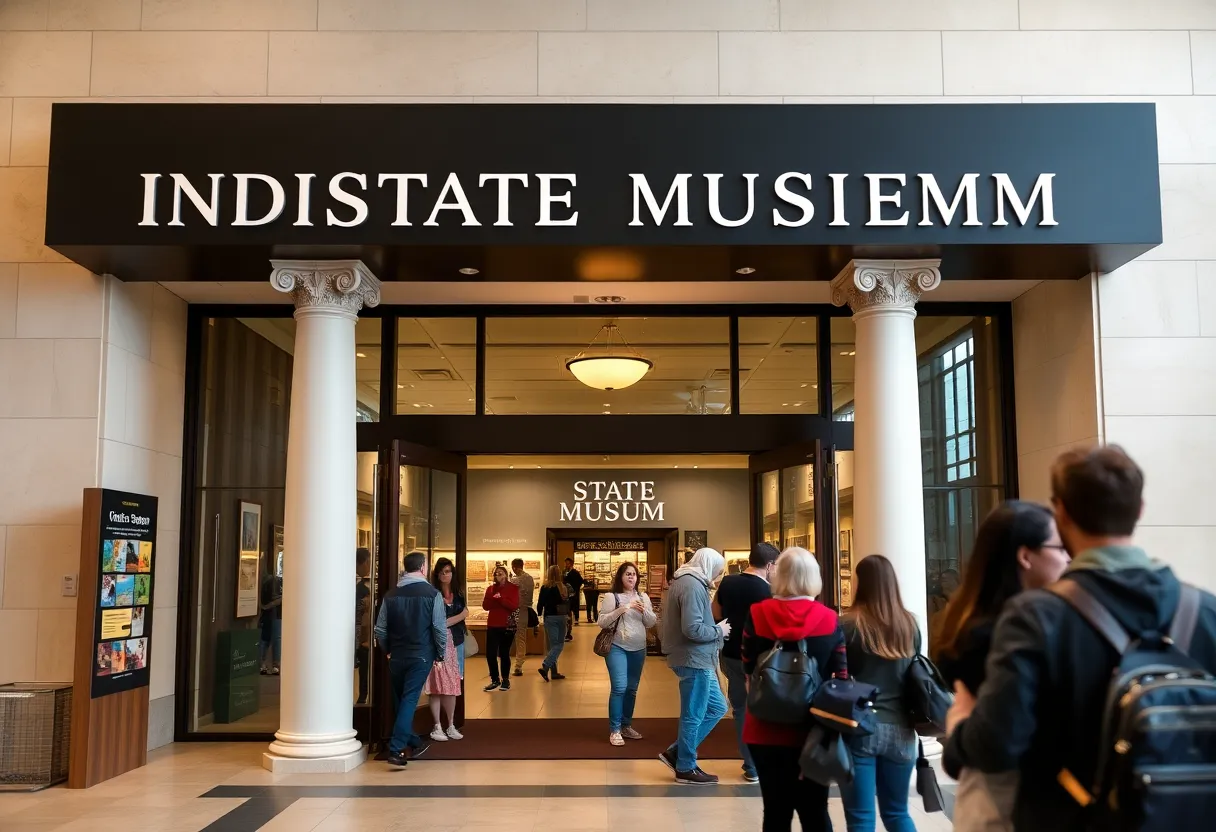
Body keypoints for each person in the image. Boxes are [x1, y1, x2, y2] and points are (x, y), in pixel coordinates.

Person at [944, 446, 1216, 832]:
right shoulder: (1204, 610)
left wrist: (959, 726)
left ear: (1062, 513)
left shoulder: (1036, 616)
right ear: (1140, 509)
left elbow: (998, 745)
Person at [932, 501, 1068, 830]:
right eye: (1060, 547)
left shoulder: (971, 622)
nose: (1068, 558)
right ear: (1025, 556)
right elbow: (998, 740)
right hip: (1009, 802)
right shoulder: (999, 635)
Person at [742, 546, 846, 832]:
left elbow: (748, 668)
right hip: (814, 732)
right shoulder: (829, 618)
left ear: (780, 574)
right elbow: (841, 677)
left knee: (775, 813)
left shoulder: (758, 613)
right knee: (816, 812)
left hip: (764, 729)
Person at [837, 554, 921, 832]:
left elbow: (836, 674)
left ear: (860, 582)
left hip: (860, 727)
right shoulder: (910, 625)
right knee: (898, 813)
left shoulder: (847, 624)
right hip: (902, 729)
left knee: (861, 819)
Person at [658, 547, 731, 785]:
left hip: (695, 657)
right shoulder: (692, 585)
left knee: (717, 706)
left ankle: (677, 753)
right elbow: (692, 629)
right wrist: (718, 630)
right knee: (694, 713)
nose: (717, 576)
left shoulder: (686, 581)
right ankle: (685, 766)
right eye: (717, 571)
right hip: (694, 658)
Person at [712, 540, 779, 783]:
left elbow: (716, 613)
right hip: (761, 659)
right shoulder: (769, 592)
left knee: (740, 709)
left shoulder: (727, 582)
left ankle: (751, 766)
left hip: (731, 654)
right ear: (769, 565)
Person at [373, 550, 447, 768]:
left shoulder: (390, 595)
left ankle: (414, 741)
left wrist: (388, 650)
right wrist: (440, 653)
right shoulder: (432, 594)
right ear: (423, 567)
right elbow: (439, 628)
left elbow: (380, 629)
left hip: (397, 655)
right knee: (409, 700)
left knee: (400, 700)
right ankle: (396, 749)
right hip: (421, 655)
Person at [599, 562, 657, 746]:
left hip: (638, 648)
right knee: (619, 687)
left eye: (634, 574)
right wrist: (622, 609)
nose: (631, 577)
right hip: (617, 646)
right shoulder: (612, 597)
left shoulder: (643, 596)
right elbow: (602, 622)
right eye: (627, 574)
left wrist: (644, 610)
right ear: (620, 577)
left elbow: (651, 622)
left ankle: (626, 725)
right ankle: (615, 729)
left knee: (632, 689)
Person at [425, 556, 468, 742]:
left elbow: (462, 613)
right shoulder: (433, 595)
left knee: (453, 684)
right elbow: (438, 623)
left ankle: (450, 724)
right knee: (436, 685)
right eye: (442, 572)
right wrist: (460, 616)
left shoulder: (458, 594)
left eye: (448, 571)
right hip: (438, 644)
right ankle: (437, 725)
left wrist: (453, 619)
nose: (445, 575)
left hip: (456, 642)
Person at [481, 565, 520, 691]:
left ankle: (505, 679)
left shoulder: (513, 588)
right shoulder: (490, 589)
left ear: (506, 575)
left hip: (507, 625)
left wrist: (501, 599)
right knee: (490, 654)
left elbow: (514, 606)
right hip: (493, 624)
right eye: (496, 573)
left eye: (501, 573)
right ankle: (495, 679)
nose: (498, 576)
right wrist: (494, 598)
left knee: (504, 653)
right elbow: (486, 606)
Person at [536, 565, 570, 681]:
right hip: (561, 617)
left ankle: (549, 668)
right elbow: (567, 602)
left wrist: (539, 615)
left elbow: (540, 603)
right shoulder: (563, 587)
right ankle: (549, 668)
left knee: (552, 645)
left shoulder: (545, 587)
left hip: (549, 617)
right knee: (559, 644)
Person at [510, 558, 535, 677]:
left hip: (514, 611)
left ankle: (512, 664)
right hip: (525, 611)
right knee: (521, 638)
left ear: (514, 567)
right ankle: (518, 665)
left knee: (512, 638)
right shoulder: (530, 578)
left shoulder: (514, 581)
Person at [355, 547, 372, 704]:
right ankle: (362, 697)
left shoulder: (361, 587)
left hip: (359, 634)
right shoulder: (362, 589)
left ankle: (362, 696)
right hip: (360, 635)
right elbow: (363, 616)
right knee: (363, 667)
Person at [259, 560, 282, 675]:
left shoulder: (270, 580)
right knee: (274, 639)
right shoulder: (274, 580)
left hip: (270, 613)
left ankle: (263, 664)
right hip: (274, 613)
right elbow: (278, 598)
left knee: (266, 638)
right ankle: (274, 665)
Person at [563, 558, 583, 638]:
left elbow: (580, 581)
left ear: (571, 564)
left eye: (567, 563)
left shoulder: (575, 572)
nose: (566, 565)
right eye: (565, 563)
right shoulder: (564, 572)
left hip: (574, 593)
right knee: (568, 609)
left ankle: (576, 618)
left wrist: (575, 589)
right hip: (567, 593)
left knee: (575, 605)